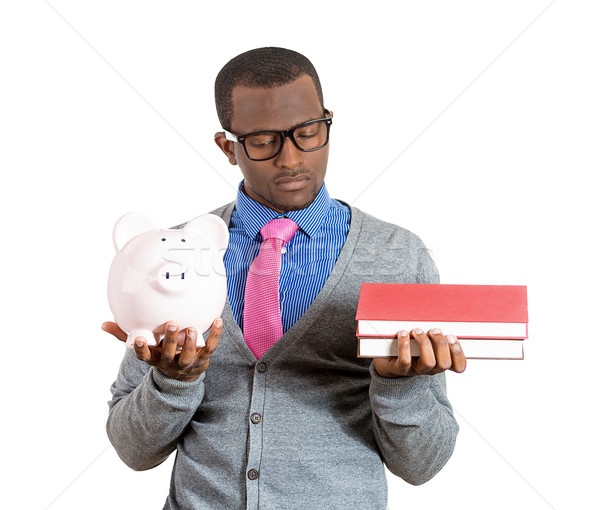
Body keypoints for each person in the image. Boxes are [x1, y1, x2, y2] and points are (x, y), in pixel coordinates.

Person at [103, 47, 467, 510]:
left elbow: (423, 465)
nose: (291, 158)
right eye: (262, 141)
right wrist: (174, 382)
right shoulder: (170, 257)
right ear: (227, 147)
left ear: (328, 122)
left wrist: (400, 385)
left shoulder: (398, 256)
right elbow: (133, 451)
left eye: (308, 133)